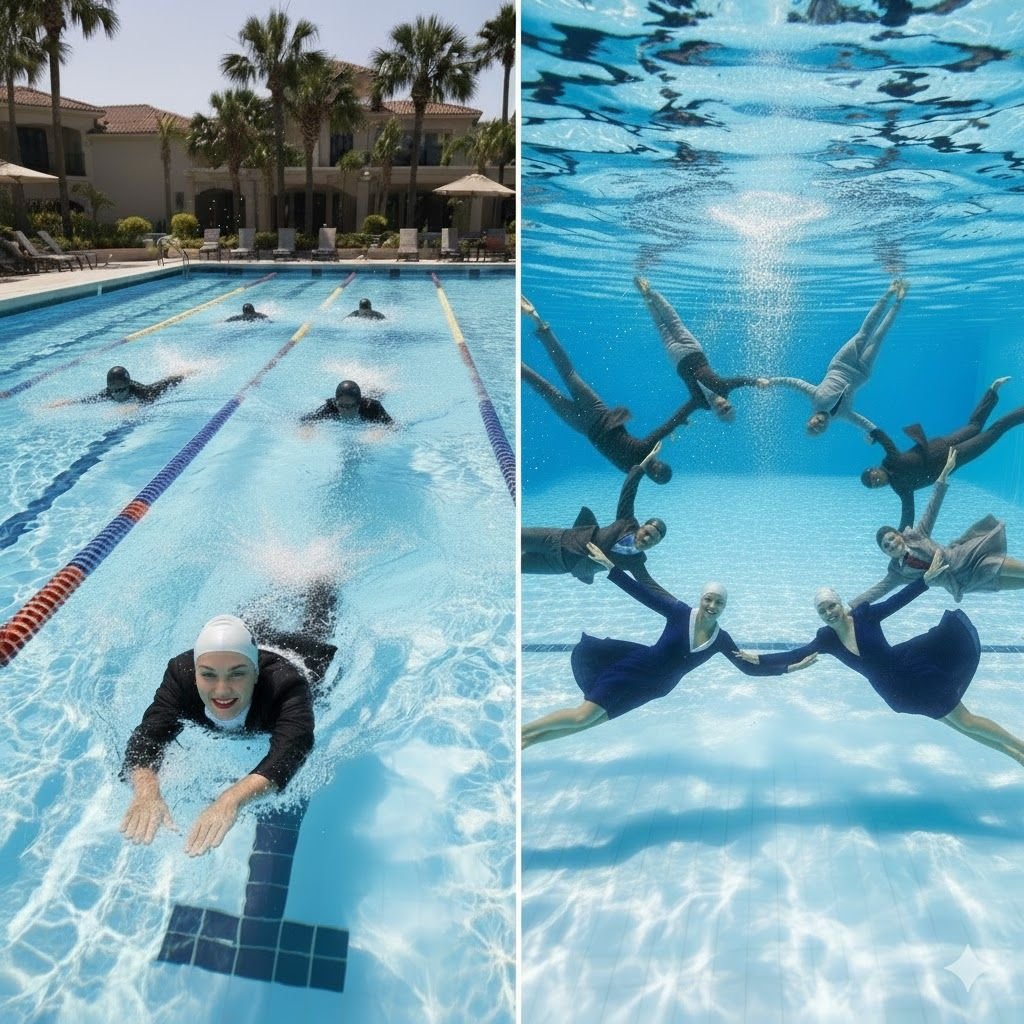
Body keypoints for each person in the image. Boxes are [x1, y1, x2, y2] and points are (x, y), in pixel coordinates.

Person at [120, 581, 338, 856]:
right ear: (195, 672)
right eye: (208, 675)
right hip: (247, 646)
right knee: (249, 619)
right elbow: (148, 736)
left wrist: (231, 799)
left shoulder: (286, 686)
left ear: (256, 674)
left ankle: (321, 579)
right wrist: (146, 791)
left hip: (300, 654)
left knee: (317, 620)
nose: (222, 690)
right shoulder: (181, 676)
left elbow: (293, 747)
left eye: (237, 674)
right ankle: (284, 577)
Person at [521, 547, 810, 748]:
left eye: (718, 602)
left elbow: (748, 667)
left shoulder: (721, 639)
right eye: (708, 599)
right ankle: (518, 733)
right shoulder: (680, 612)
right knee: (582, 715)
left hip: (654, 689)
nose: (712, 605)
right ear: (701, 599)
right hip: (631, 671)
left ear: (724, 607)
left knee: (587, 725)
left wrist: (787, 667)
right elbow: (643, 595)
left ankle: (527, 742)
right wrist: (612, 569)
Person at [756, 581, 1024, 767]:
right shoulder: (828, 639)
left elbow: (898, 600)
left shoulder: (865, 616)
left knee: (965, 720)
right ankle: (1016, 756)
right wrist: (758, 659)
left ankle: (1020, 746)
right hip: (896, 693)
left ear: (840, 603)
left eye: (831, 605)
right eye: (822, 610)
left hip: (916, 674)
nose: (828, 612)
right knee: (954, 724)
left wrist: (925, 581)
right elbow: (794, 654)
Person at [521, 296, 689, 482]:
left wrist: (683, 417)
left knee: (550, 390)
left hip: (586, 428)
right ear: (660, 463)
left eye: (657, 475)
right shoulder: (645, 450)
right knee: (566, 376)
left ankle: (523, 355)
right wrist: (690, 409)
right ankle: (538, 321)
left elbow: (629, 490)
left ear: (652, 477)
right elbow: (665, 428)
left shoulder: (631, 471)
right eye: (660, 469)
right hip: (598, 413)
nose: (656, 470)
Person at [852, 447, 1024, 606]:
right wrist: (846, 609)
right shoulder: (897, 573)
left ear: (899, 534)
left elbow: (932, 506)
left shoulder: (918, 535)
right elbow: (876, 592)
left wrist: (945, 471)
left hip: (970, 557)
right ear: (885, 553)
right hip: (966, 582)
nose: (891, 544)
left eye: (891, 538)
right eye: (886, 546)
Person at [861, 376, 1023, 529]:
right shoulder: (901, 488)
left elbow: (885, 439)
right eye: (876, 485)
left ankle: (993, 390)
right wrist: (901, 535)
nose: (878, 482)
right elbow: (908, 514)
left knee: (975, 426)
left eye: (875, 478)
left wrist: (872, 434)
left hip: (942, 444)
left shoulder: (891, 460)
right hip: (953, 459)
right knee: (994, 432)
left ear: (875, 469)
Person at [521, 444, 672, 596]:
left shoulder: (636, 562)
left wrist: (689, 612)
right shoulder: (626, 522)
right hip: (556, 539)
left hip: (560, 566)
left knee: (517, 565)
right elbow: (629, 488)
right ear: (641, 527)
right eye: (646, 532)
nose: (647, 539)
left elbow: (651, 586)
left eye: (653, 540)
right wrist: (647, 460)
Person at [766, 279, 907, 435]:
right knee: (879, 337)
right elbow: (861, 421)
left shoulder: (815, 397)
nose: (818, 425)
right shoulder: (841, 414)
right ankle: (899, 300)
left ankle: (889, 292)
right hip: (861, 373)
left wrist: (771, 382)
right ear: (826, 428)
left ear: (809, 419)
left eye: (813, 425)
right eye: (820, 429)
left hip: (841, 364)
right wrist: (874, 434)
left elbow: (793, 383)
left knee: (864, 333)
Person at [635, 276, 769, 422]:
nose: (723, 407)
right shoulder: (724, 388)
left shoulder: (702, 403)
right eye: (728, 408)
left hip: (677, 357)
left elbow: (682, 412)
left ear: (716, 414)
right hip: (693, 349)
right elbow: (739, 381)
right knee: (674, 321)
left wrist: (679, 422)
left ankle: (645, 296)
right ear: (730, 404)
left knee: (662, 326)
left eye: (721, 412)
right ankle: (651, 292)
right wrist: (756, 381)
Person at [300, 380, 393, 425]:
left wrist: (378, 433)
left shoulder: (372, 408)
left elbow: (393, 427)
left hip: (367, 399)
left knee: (376, 393)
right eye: (342, 406)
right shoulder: (332, 407)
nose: (345, 411)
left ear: (358, 404)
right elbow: (305, 420)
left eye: (350, 406)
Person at [81, 365, 186, 405]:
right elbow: (89, 399)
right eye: (114, 389)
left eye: (121, 389)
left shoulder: (141, 391)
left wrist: (131, 408)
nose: (117, 393)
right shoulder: (109, 392)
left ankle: (187, 371)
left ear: (127, 386)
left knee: (175, 379)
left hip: (157, 388)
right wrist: (68, 402)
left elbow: (147, 401)